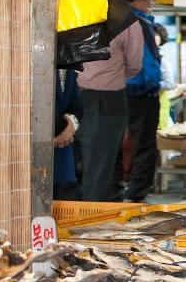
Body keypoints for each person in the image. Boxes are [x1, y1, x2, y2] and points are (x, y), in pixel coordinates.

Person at [77, 19, 143, 201]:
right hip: (106, 98)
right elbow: (134, 64)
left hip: (66, 92)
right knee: (99, 168)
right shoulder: (124, 21)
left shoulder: (72, 11)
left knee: (70, 167)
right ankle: (88, 221)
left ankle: (69, 217)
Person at [123, 0, 162, 202]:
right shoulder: (140, 24)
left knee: (117, 142)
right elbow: (147, 62)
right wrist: (152, 86)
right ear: (138, 1)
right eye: (149, 2)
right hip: (141, 92)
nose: (150, 7)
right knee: (144, 144)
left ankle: (116, 189)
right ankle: (136, 194)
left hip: (118, 91)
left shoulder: (114, 19)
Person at [53, 68, 83, 200]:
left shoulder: (68, 66)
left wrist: (70, 127)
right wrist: (61, 130)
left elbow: (77, 106)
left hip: (62, 152)